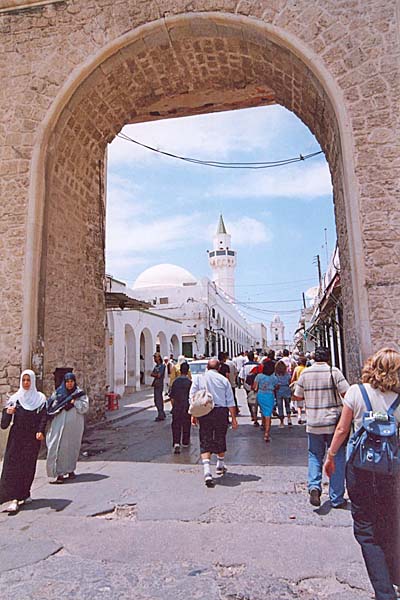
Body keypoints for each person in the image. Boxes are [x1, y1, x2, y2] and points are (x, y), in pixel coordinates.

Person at [324, 348, 400, 600]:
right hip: (390, 471)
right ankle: (394, 578)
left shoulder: (357, 392)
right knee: (389, 523)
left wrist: (331, 456)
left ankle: (384, 591)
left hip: (360, 469)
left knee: (366, 530)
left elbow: (342, 429)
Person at [293, 346, 349, 507]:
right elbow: (347, 394)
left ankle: (314, 486)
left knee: (314, 455)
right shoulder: (334, 372)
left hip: (313, 423)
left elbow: (297, 396)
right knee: (337, 456)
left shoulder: (305, 373)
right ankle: (337, 497)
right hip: (333, 423)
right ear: (328, 358)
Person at [0, 370, 47, 513]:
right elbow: (3, 425)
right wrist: (8, 413)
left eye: (28, 380)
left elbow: (44, 417)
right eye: (24, 380)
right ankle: (14, 498)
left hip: (31, 439)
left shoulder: (40, 399)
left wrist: (40, 431)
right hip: (16, 439)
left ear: (32, 381)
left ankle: (25, 493)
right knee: (12, 466)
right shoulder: (15, 399)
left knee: (28, 466)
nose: (26, 383)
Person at [190, 358, 238, 487]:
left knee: (205, 439)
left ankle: (207, 472)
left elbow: (193, 396)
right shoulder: (223, 380)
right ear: (219, 368)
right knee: (220, 437)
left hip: (205, 411)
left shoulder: (199, 378)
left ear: (207, 367)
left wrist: (194, 414)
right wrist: (233, 418)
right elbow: (230, 401)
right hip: (220, 412)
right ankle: (220, 464)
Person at [46, 372, 89, 483]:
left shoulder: (79, 394)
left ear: (74, 382)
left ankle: (70, 470)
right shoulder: (58, 394)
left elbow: (84, 408)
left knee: (72, 448)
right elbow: (51, 406)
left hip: (74, 428)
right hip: (59, 426)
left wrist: (75, 402)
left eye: (71, 381)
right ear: (64, 383)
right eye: (67, 382)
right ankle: (59, 473)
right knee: (59, 447)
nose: (69, 384)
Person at [170, 362, 192, 454]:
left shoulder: (175, 382)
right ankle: (185, 442)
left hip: (177, 406)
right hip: (186, 406)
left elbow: (172, 397)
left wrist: (173, 406)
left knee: (176, 425)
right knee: (186, 424)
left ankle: (176, 442)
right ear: (187, 371)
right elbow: (192, 397)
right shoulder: (190, 382)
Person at [253, 361, 278, 442]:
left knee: (263, 411)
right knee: (268, 414)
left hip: (260, 395)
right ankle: (267, 433)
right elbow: (277, 386)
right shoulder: (274, 377)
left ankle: (263, 424)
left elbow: (254, 387)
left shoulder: (259, 376)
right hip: (269, 395)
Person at [275, 360, 292, 428]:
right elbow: (290, 381)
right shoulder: (287, 374)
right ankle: (289, 418)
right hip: (286, 389)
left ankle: (281, 422)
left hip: (279, 390)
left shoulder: (276, 375)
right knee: (287, 405)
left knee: (280, 406)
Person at [290, 355, 307, 424]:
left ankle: (299, 416)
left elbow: (293, 378)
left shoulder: (297, 369)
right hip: (305, 386)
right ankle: (308, 417)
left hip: (298, 386)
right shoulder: (306, 369)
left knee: (299, 403)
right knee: (306, 402)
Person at [151, 352, 166, 421]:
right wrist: (155, 374)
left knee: (158, 399)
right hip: (156, 384)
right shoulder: (156, 366)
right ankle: (161, 413)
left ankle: (161, 414)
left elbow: (159, 375)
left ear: (159, 358)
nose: (154, 359)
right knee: (156, 400)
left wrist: (155, 374)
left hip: (159, 384)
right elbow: (152, 373)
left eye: (155, 357)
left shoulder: (162, 366)